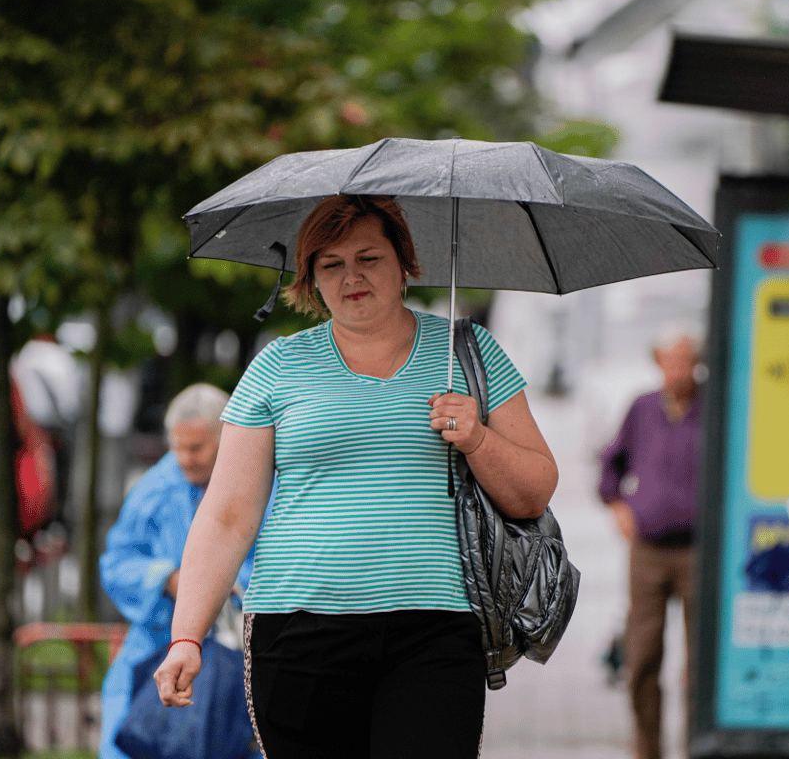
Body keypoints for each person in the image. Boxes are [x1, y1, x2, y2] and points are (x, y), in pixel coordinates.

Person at [152, 194, 559, 758]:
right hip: (297, 631)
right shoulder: (277, 368)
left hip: (434, 630)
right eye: (331, 264)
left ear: (404, 263)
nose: (351, 278)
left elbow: (534, 490)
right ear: (311, 279)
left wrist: (478, 438)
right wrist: (186, 637)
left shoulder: (468, 354)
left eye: (368, 258)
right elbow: (226, 516)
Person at [98, 383, 257, 759]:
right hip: (154, 650)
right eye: (176, 447)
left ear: (226, 438)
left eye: (196, 448)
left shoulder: (260, 481)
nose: (184, 459)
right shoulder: (155, 488)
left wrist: (223, 586)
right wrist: (166, 578)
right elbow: (117, 564)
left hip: (242, 654)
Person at [597, 326, 702, 759]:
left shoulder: (714, 405)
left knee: (698, 663)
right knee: (642, 656)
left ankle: (697, 744)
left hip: (698, 551)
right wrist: (617, 507)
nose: (677, 369)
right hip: (648, 551)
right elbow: (609, 465)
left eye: (685, 360)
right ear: (658, 363)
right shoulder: (641, 407)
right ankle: (647, 748)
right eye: (669, 360)